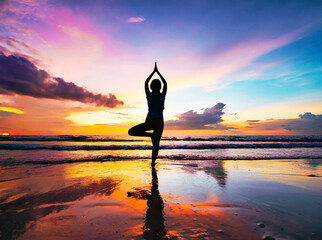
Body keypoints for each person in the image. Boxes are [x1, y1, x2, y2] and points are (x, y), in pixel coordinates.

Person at [128, 62, 167, 166]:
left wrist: (153, 72)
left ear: (151, 86)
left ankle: (150, 135)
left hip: (150, 121)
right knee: (156, 144)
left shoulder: (149, 95)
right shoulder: (162, 95)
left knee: (131, 131)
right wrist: (158, 73)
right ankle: (153, 163)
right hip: (159, 121)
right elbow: (165, 84)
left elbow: (145, 83)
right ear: (159, 87)